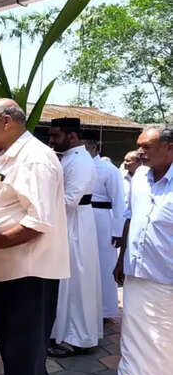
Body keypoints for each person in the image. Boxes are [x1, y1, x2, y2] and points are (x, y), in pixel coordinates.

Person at [0, 99, 69, 375]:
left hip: (29, 274)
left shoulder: (34, 158)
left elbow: (37, 223)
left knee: (24, 358)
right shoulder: (10, 156)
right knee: (20, 358)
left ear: (7, 121)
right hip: (11, 272)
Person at [114, 125, 173, 375]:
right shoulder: (139, 177)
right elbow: (130, 218)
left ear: (169, 148)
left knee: (163, 337)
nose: (140, 151)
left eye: (146, 146)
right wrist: (121, 259)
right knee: (133, 332)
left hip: (166, 277)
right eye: (139, 145)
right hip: (135, 271)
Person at [48, 117, 102, 357]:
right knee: (67, 283)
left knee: (77, 283)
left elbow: (70, 200)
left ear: (71, 136)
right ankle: (62, 332)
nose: (51, 140)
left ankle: (76, 338)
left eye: (55, 135)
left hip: (76, 226)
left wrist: (39, 201)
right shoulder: (69, 157)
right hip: (68, 223)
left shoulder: (80, 161)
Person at [84, 136, 125, 320]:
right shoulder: (77, 165)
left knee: (104, 263)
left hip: (102, 219)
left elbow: (119, 201)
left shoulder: (109, 169)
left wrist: (118, 230)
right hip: (81, 216)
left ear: (93, 147)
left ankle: (105, 309)